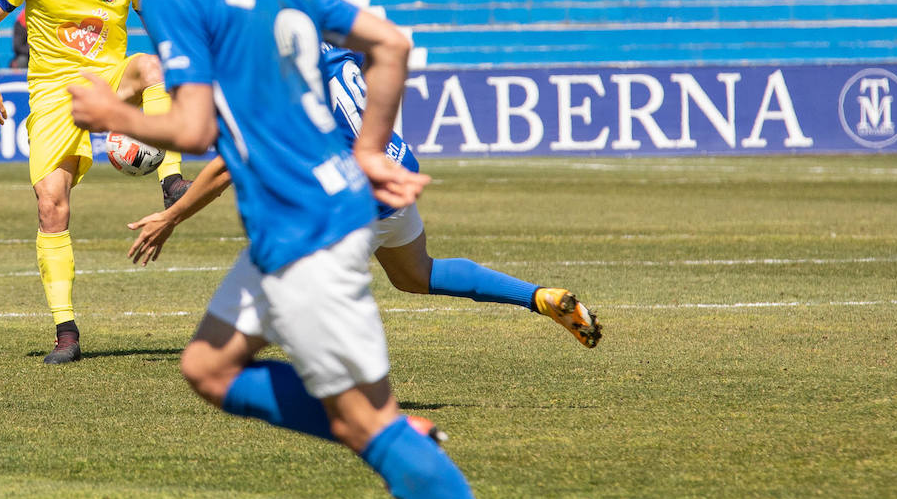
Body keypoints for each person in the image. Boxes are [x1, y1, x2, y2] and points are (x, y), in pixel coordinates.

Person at [69, 0, 553, 499]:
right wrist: (368, 149)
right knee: (208, 367)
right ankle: (400, 444)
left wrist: (110, 112)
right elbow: (391, 44)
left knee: (368, 422)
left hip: (304, 232)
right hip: (307, 217)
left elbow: (189, 130)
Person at [126, 43, 602, 351]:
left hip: (353, 199)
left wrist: (172, 216)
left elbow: (226, 167)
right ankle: (539, 297)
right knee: (417, 274)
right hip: (393, 169)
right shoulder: (325, 45)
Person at [0, 0, 189, 366]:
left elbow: (167, 29)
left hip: (111, 81)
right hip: (53, 96)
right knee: (52, 207)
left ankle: (172, 179)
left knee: (152, 65)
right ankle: (65, 329)